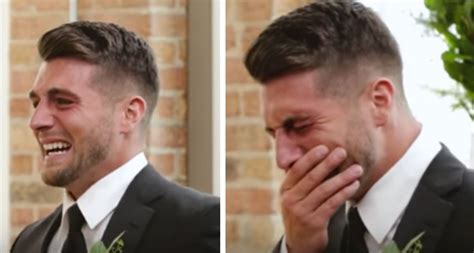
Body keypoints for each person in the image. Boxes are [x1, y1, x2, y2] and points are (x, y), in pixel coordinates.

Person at [244, 1, 474, 253]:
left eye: (300, 125)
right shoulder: (313, 234)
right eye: (273, 134)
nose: (282, 158)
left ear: (379, 102)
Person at [10, 21, 219, 253]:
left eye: (63, 101)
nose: (36, 122)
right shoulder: (28, 242)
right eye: (36, 103)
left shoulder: (202, 227)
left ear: (129, 114)